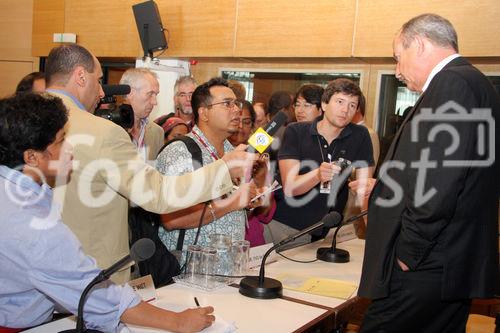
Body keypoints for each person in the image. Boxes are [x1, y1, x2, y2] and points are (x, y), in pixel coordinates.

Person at [0, 93, 215, 332]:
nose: (70, 148)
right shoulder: (31, 224)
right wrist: (177, 321)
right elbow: (92, 294)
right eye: (61, 141)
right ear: (32, 157)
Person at [45, 44, 256, 284]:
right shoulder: (102, 132)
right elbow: (158, 194)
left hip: (35, 266)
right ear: (81, 76)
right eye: (99, 80)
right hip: (88, 271)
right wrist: (224, 169)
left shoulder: (18, 117)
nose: (102, 93)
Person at [357, 14, 499, 333]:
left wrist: (410, 251)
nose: (397, 70)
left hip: (428, 263)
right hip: (448, 263)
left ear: (419, 45)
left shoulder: (453, 83)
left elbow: (440, 182)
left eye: (398, 57)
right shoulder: (473, 82)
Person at [156, 78, 263, 257]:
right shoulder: (180, 152)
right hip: (189, 271)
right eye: (227, 104)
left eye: (236, 103)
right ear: (204, 113)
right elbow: (172, 219)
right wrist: (233, 202)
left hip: (229, 266)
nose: (237, 109)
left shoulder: (233, 151)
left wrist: (249, 199)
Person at [266, 79, 374, 248]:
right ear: (324, 104)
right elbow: (290, 187)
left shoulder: (360, 136)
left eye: (352, 105)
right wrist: (317, 175)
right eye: (340, 102)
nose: (345, 110)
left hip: (324, 230)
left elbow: (364, 191)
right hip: (284, 224)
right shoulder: (296, 131)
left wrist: (374, 237)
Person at [227, 100, 277, 247]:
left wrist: (261, 179)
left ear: (254, 126)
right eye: (236, 120)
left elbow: (266, 214)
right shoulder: (216, 153)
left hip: (252, 240)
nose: (240, 127)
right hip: (222, 239)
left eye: (247, 122)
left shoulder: (259, 157)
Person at [120, 68, 164, 161]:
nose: (154, 102)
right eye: (150, 94)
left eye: (156, 95)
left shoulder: (157, 132)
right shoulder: (110, 129)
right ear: (130, 93)